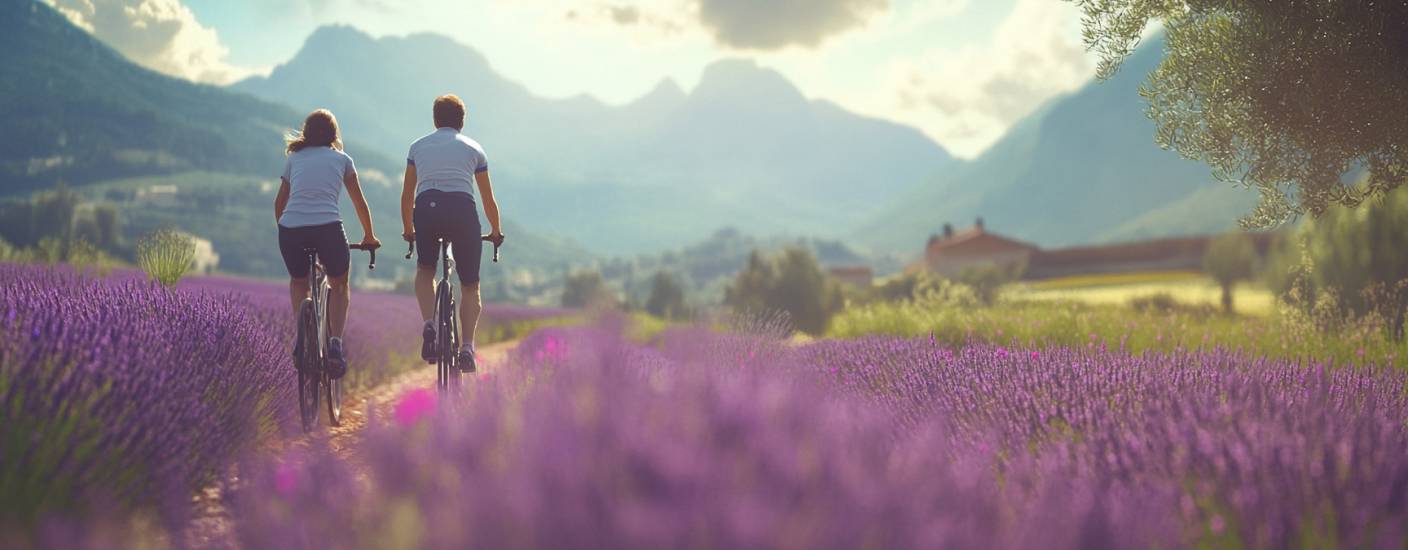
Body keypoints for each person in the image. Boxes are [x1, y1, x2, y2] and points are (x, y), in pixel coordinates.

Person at [274, 109, 381, 378]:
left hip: (291, 229)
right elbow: (359, 202)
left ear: (306, 133)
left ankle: (302, 338)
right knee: (339, 282)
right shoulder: (343, 159)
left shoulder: (294, 158)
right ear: (334, 135)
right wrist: (369, 236)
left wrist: (288, 230)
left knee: (299, 281)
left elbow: (279, 204)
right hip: (328, 229)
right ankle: (335, 345)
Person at [401, 94, 503, 372]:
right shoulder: (474, 148)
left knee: (425, 269)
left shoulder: (417, 146)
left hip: (427, 207)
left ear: (435, 120)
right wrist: (496, 231)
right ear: (462, 121)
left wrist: (409, 229)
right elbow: (487, 199)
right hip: (462, 210)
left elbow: (407, 193)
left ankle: (429, 325)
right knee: (470, 285)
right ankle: (467, 348)